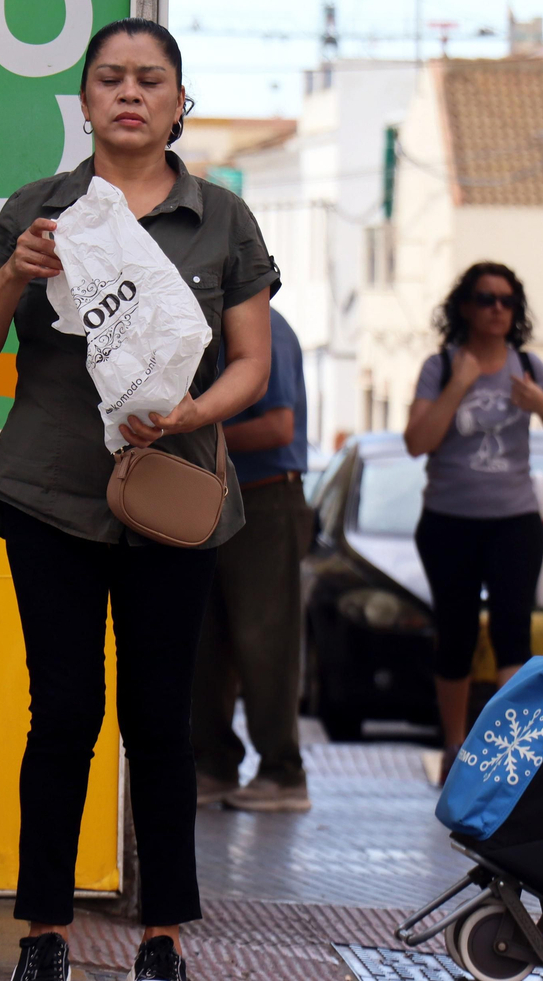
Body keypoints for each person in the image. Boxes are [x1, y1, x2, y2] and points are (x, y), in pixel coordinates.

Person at [0, 18, 276, 981]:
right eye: (111, 78)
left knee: (161, 720)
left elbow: (251, 364)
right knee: (63, 713)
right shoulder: (40, 211)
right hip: (49, 494)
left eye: (151, 79)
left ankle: (162, 937)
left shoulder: (222, 218)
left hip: (174, 495)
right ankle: (43, 932)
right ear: (85, 102)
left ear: (180, 104)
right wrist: (15, 273)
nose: (131, 93)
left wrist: (192, 412)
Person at [403, 262, 543, 779]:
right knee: (456, 634)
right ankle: (455, 747)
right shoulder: (441, 366)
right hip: (449, 521)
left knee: (513, 633)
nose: (497, 309)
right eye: (486, 299)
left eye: (507, 300)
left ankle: (505, 755)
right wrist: (459, 386)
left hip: (514, 521)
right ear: (465, 307)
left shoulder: (528, 366)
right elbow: (416, 442)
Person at [191, 306, 314, 813]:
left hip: (265, 498)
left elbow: (279, 427)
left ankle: (282, 771)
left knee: (267, 642)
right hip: (210, 493)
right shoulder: (202, 318)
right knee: (205, 640)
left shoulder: (265, 324)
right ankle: (214, 764)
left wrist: (191, 431)